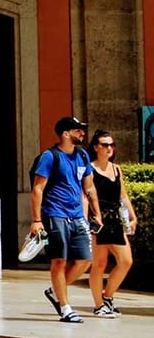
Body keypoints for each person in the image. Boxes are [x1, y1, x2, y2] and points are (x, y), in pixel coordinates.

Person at [32, 115, 101, 322]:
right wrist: (37, 220)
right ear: (65, 133)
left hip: (77, 215)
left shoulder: (82, 156)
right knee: (59, 261)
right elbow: (38, 189)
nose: (82, 133)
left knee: (85, 260)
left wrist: (96, 212)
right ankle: (65, 307)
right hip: (55, 214)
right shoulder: (50, 156)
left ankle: (54, 292)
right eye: (77, 130)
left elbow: (89, 187)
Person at [88, 130, 135, 318]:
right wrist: (93, 217)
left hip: (115, 218)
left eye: (112, 145)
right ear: (96, 147)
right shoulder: (89, 169)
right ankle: (98, 305)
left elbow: (122, 194)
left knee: (126, 261)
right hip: (98, 219)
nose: (109, 148)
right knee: (99, 263)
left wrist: (132, 216)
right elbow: (89, 195)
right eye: (105, 144)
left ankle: (107, 296)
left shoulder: (116, 169)